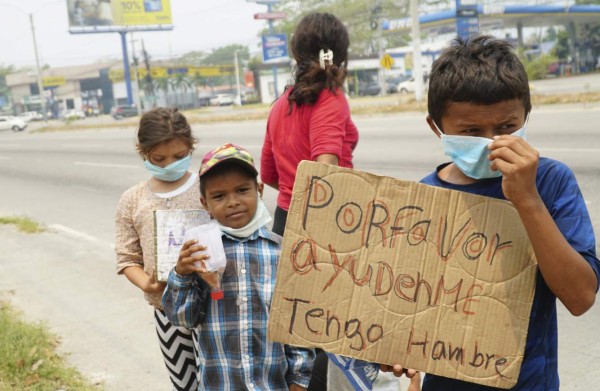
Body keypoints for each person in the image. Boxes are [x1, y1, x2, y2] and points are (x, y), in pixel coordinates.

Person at [383, 35, 600, 390]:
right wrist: (393, 350)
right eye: (471, 132)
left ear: (526, 117)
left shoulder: (550, 182)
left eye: (506, 128)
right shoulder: (423, 199)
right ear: (436, 128)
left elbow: (580, 298)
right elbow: (401, 307)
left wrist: (527, 199)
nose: (491, 143)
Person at [162, 143, 315, 390]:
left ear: (260, 190)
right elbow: (181, 318)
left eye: (242, 190)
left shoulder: (283, 253)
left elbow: (296, 328)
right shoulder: (200, 253)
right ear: (205, 203)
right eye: (219, 196)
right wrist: (182, 274)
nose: (232, 202)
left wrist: (298, 381)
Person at [115, 107, 199, 391]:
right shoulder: (133, 199)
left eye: (178, 156)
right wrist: (149, 284)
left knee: (220, 381)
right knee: (185, 383)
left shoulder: (209, 185)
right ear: (144, 153)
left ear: (190, 147)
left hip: (215, 306)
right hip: (167, 309)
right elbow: (127, 258)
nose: (169, 165)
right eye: (158, 159)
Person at [261, 11, 359, 237]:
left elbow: (268, 175)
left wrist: (294, 193)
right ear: (341, 55)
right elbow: (325, 168)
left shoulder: (279, 105)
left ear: (297, 54)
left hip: (285, 219)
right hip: (322, 221)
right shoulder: (330, 98)